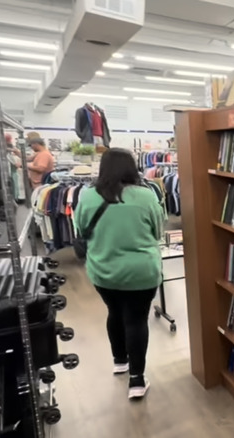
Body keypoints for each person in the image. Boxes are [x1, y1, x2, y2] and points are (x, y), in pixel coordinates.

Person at [74, 149, 163, 400]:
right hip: (141, 272)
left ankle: (119, 361)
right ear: (131, 168)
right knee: (136, 320)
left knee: (114, 312)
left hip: (103, 271)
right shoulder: (146, 196)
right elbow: (157, 231)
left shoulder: (88, 196)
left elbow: (80, 228)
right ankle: (136, 380)